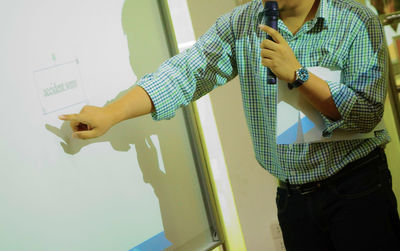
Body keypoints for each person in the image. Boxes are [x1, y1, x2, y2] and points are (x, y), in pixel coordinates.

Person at [59, 0, 400, 249]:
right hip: (294, 199)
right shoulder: (243, 23)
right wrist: (110, 114)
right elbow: (184, 74)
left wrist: (298, 75)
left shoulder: (356, 19)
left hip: (357, 189)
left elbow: (367, 111)